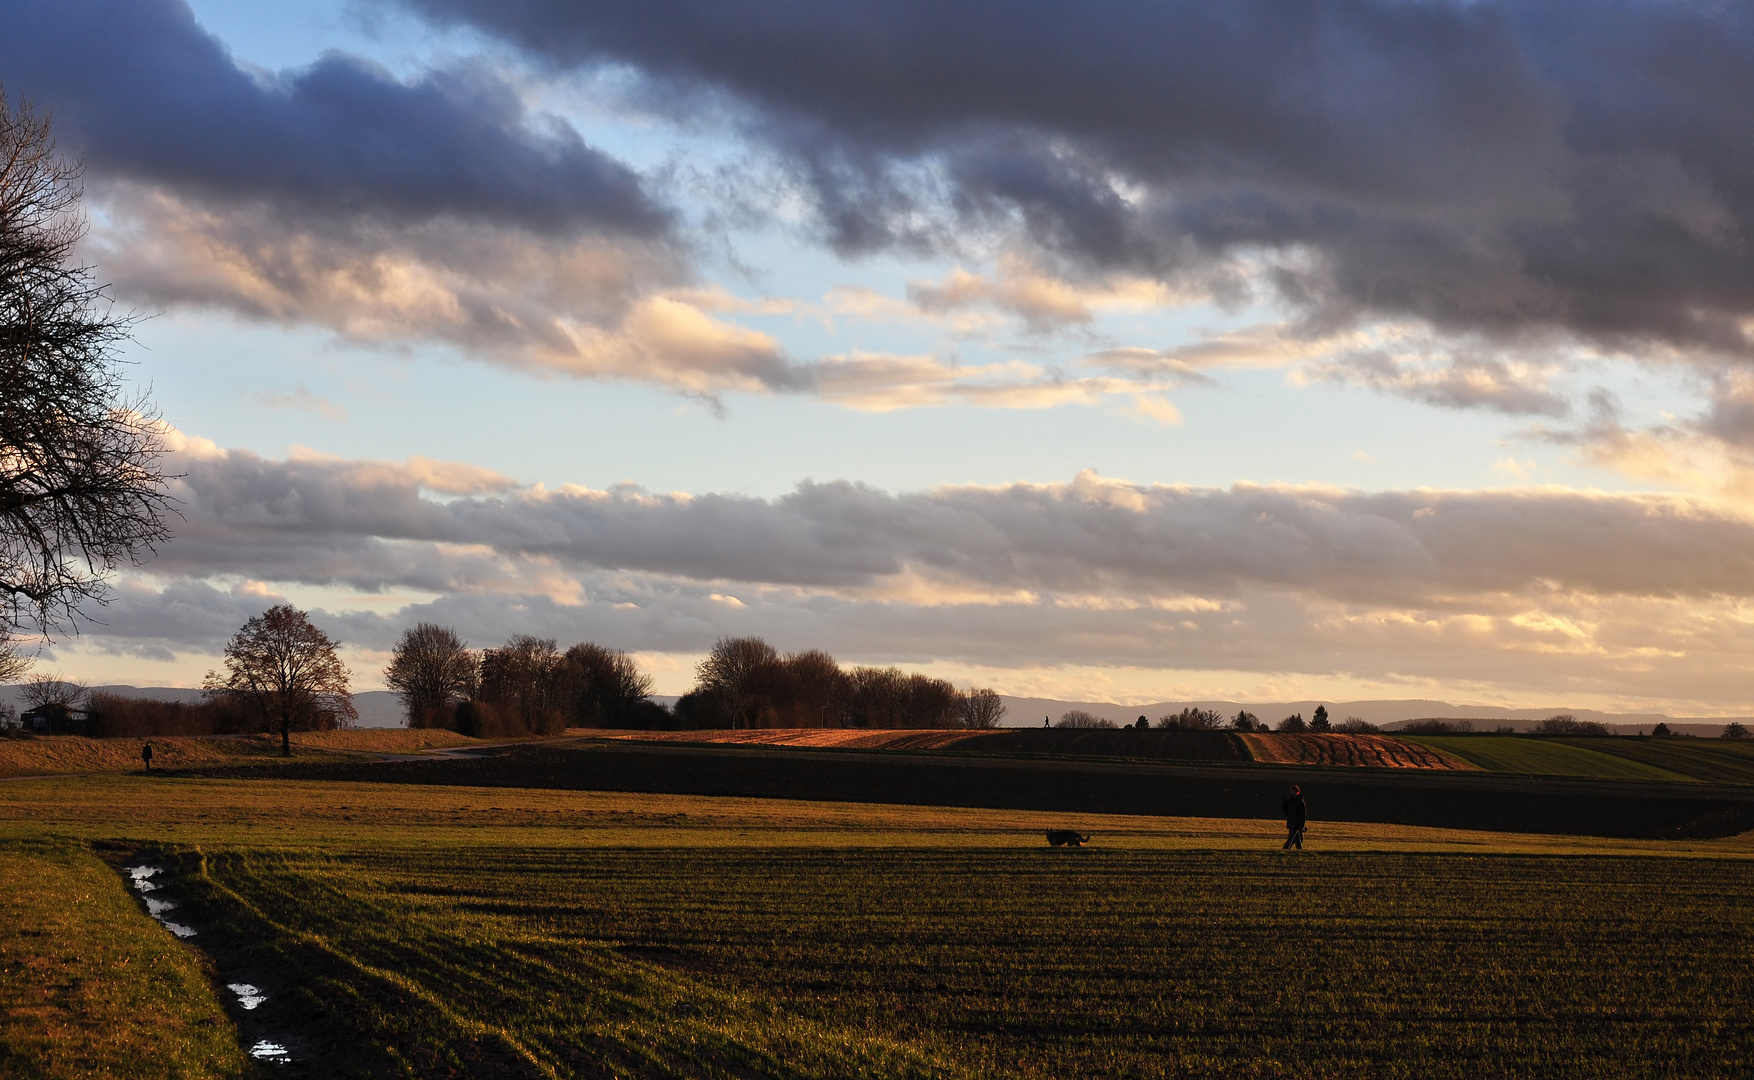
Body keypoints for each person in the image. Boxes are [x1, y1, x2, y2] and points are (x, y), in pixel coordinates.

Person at [1280, 785, 1306, 850]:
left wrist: (1301, 825)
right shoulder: (1291, 801)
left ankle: (1285, 849)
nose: (1291, 792)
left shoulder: (1300, 802)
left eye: (1292, 791)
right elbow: (1288, 812)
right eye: (1290, 791)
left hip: (1296, 824)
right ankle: (1299, 850)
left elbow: (1303, 814)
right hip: (1291, 822)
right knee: (1297, 841)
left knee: (1290, 839)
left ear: (1296, 792)